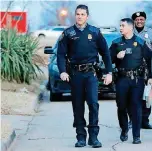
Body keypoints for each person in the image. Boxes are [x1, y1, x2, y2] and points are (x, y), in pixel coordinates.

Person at [57, 4, 112, 148]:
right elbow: (61, 54)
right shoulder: (68, 33)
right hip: (75, 75)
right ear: (75, 16)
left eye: (82, 14)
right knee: (78, 106)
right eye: (77, 14)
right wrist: (63, 71)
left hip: (91, 74)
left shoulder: (95, 32)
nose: (80, 16)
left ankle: (94, 137)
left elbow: (105, 53)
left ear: (87, 16)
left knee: (93, 104)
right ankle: (81, 136)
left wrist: (109, 72)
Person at [109, 18, 152, 144]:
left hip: (136, 80)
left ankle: (136, 135)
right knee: (121, 106)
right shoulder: (116, 43)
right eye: (120, 25)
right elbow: (108, 60)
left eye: (122, 25)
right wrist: (116, 57)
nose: (120, 28)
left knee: (136, 106)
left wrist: (150, 77)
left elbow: (150, 59)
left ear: (130, 27)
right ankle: (124, 129)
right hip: (122, 79)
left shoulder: (140, 42)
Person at [126, 11, 152, 130]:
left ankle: (145, 120)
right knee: (132, 96)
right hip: (133, 68)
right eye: (137, 20)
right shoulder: (129, 32)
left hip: (147, 68)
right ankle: (132, 120)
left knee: (147, 96)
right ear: (134, 21)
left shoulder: (151, 33)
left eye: (141, 19)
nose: (139, 21)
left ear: (145, 20)